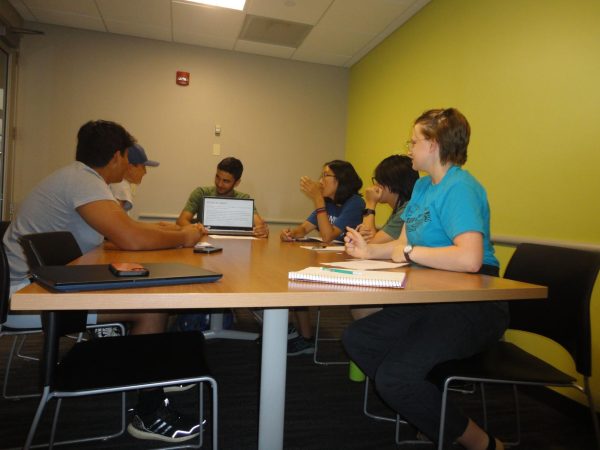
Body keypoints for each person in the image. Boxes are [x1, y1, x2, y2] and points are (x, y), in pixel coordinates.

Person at [3, 120, 204, 444]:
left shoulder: (78, 178)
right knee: (151, 308)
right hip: (27, 297)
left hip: (44, 284)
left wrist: (172, 233)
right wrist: (184, 237)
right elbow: (130, 237)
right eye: (126, 157)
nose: (127, 164)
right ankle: (149, 414)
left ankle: (149, 373)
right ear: (116, 156)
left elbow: (122, 231)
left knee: (149, 293)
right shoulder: (84, 182)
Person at [342, 108, 507, 450]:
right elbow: (401, 245)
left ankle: (483, 443)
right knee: (359, 338)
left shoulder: (461, 187)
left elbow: (470, 258)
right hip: (432, 294)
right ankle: (426, 408)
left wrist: (412, 253)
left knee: (394, 377)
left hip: (475, 302)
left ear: (434, 145)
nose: (409, 148)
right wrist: (366, 253)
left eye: (414, 141)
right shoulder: (420, 187)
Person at [280, 160, 364, 355]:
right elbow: (304, 228)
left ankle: (307, 339)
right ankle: (304, 336)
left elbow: (328, 236)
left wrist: (318, 198)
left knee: (298, 282)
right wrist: (291, 233)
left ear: (340, 180)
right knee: (294, 277)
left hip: (349, 265)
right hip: (331, 259)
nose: (320, 180)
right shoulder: (327, 202)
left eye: (325, 175)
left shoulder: (355, 203)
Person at [352, 154, 419, 320]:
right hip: (403, 274)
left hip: (410, 281)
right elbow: (373, 240)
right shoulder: (400, 209)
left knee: (360, 302)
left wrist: (370, 203)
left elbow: (371, 243)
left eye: (378, 181)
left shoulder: (406, 209)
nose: (374, 186)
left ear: (391, 184)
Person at [176, 156, 269, 237]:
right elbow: (181, 221)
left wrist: (262, 230)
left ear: (237, 183)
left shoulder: (243, 198)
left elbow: (259, 225)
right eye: (217, 177)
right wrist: (195, 228)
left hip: (235, 248)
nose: (219, 184)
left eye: (226, 181)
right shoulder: (201, 193)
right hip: (204, 243)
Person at [110, 143, 159, 213]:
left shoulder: (115, 183)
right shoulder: (122, 186)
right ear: (130, 167)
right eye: (143, 167)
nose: (145, 172)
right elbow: (118, 221)